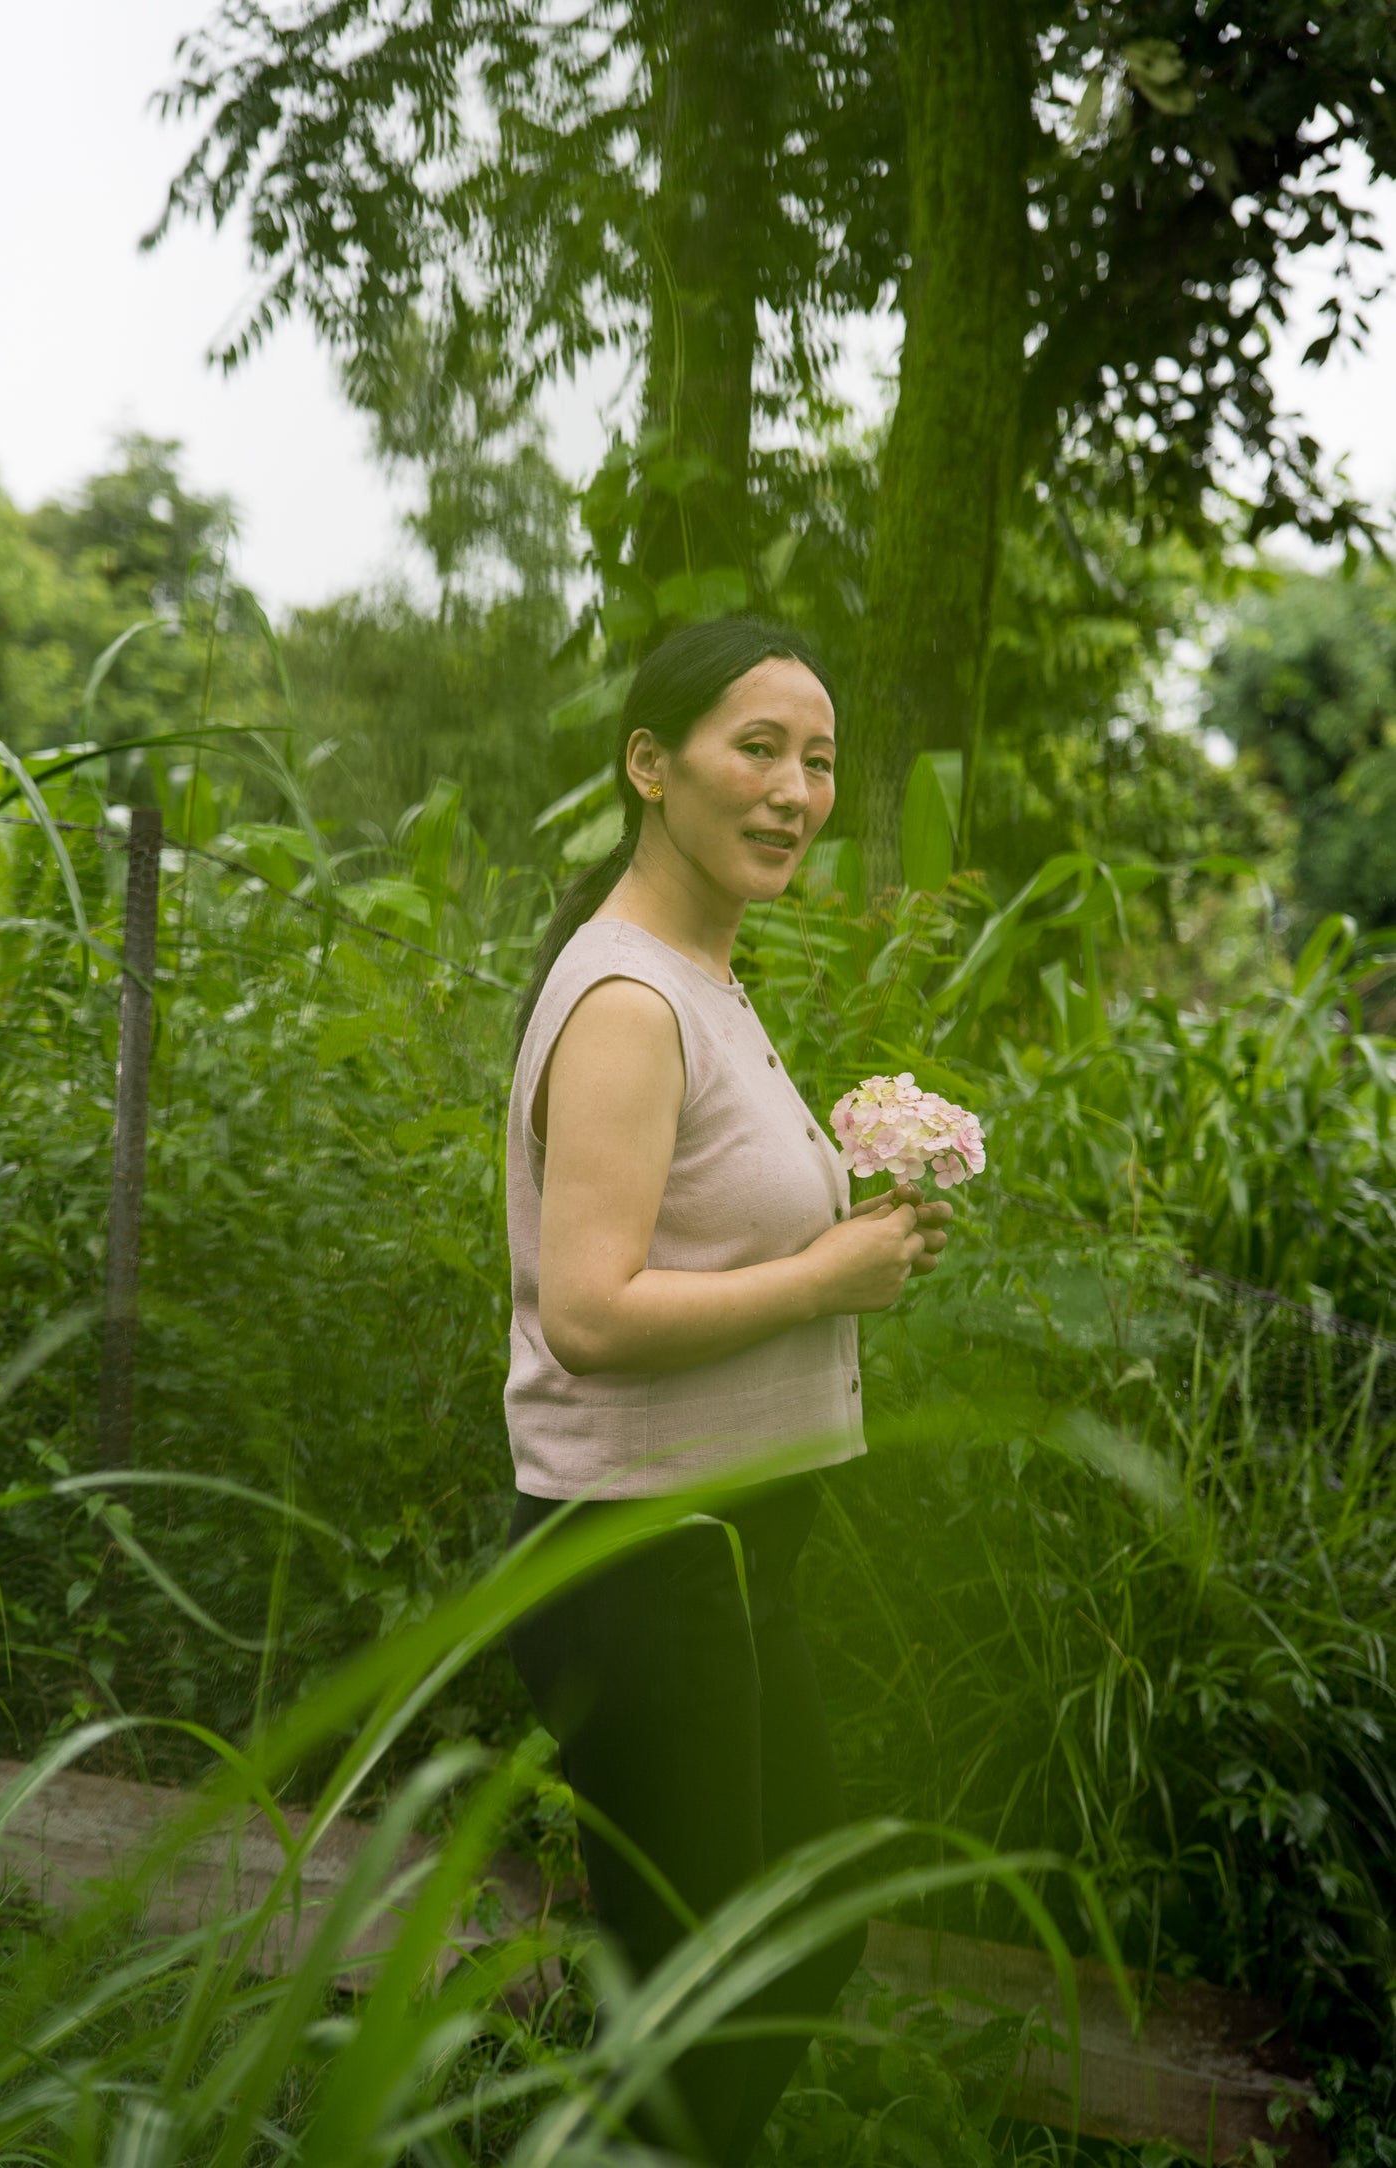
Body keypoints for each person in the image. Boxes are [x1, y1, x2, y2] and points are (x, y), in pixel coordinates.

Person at [503, 616, 953, 2164]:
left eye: (816, 760)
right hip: (639, 1556)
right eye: (754, 748)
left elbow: (698, 1242)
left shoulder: (704, 979)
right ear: (649, 763)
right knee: (706, 1994)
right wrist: (825, 1280)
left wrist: (858, 1232)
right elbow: (589, 1313)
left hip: (731, 1540)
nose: (793, 790)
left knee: (792, 1934)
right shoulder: (627, 1001)